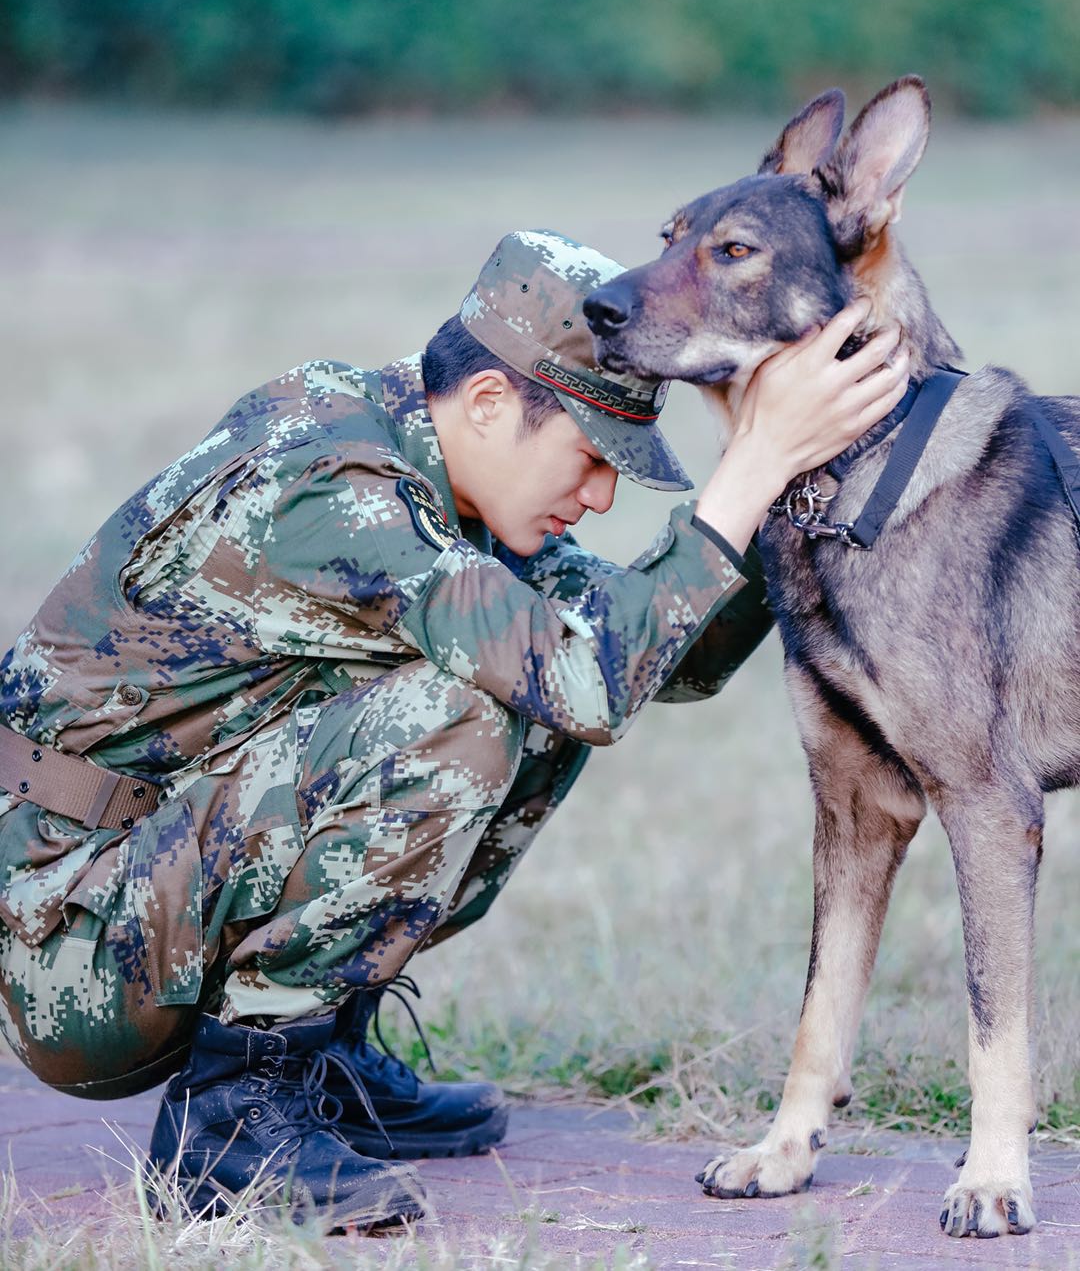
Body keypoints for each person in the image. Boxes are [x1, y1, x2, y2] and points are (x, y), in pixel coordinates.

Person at [0, 230, 907, 1229]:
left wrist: (788, 486)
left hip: (148, 889)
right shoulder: (335, 482)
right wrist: (753, 461)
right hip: (67, 943)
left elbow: (654, 657)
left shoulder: (447, 483)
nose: (602, 493)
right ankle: (234, 1124)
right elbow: (585, 680)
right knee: (471, 710)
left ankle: (318, 1055)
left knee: (540, 681)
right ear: (487, 405)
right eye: (594, 456)